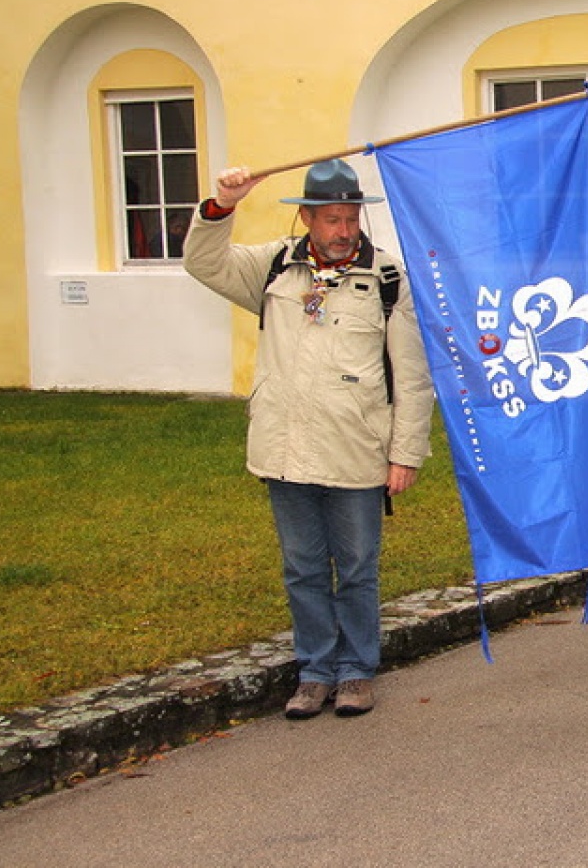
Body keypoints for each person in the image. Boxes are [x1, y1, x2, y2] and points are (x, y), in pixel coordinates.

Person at [184, 159, 434, 720]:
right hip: (285, 448)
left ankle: (356, 672)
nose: (343, 230)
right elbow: (202, 261)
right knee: (301, 569)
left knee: (357, 568)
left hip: (357, 451)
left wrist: (405, 452)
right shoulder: (275, 267)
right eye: (331, 219)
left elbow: (413, 377)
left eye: (351, 218)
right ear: (306, 218)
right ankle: (315, 671)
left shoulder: (388, 279)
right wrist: (223, 205)